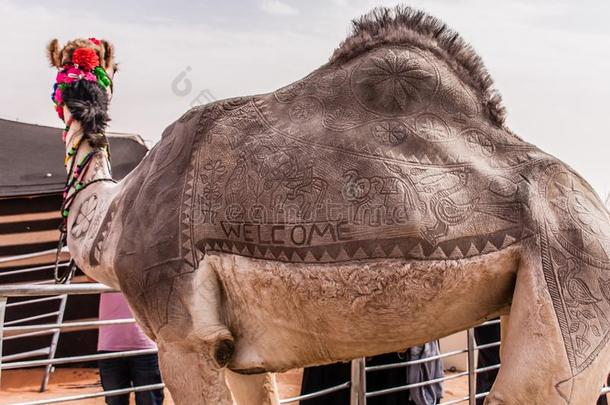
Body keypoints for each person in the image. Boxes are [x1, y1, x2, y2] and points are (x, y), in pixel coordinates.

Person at [97, 292, 164, 405]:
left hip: (145, 347)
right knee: (115, 401)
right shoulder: (105, 274)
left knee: (149, 400)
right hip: (110, 346)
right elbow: (91, 277)